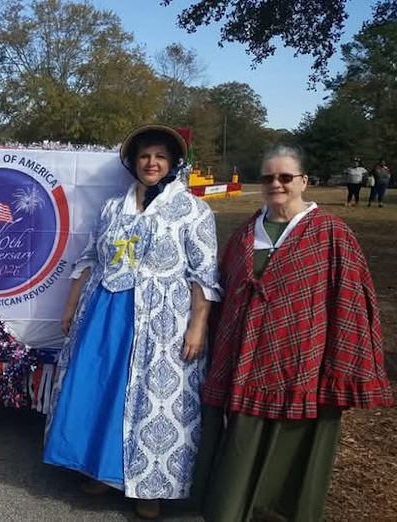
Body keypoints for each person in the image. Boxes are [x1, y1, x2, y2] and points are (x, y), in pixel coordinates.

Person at [201, 145, 393, 522]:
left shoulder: (332, 232)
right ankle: (231, 509)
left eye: (286, 177)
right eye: (269, 177)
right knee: (240, 442)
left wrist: (342, 365)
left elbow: (352, 301)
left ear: (304, 181)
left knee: (296, 447)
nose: (277, 184)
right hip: (247, 359)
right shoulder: (244, 233)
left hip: (305, 360)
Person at [43, 124, 222, 519]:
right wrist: (71, 307)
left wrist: (197, 326)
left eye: (160, 156)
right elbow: (90, 258)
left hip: (160, 321)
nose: (151, 162)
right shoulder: (112, 207)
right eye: (144, 156)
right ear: (133, 162)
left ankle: (150, 487)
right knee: (101, 390)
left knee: (148, 400)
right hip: (106, 312)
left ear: (174, 163)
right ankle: (98, 470)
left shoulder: (192, 210)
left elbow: (203, 275)